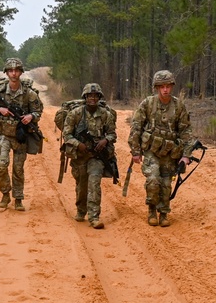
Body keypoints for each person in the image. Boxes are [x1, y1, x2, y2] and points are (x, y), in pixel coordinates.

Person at [128, 70, 194, 228]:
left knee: (166, 184)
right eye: (161, 86)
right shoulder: (148, 104)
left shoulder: (178, 106)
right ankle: (152, 210)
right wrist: (135, 151)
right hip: (152, 151)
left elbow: (186, 131)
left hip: (171, 153)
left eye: (168, 86)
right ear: (156, 88)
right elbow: (136, 127)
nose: (165, 89)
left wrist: (186, 155)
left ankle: (163, 212)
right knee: (153, 180)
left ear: (172, 87)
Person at [0, 57, 43, 211]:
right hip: (4, 134)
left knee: (18, 169)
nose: (13, 73)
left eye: (16, 70)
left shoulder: (28, 94)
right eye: (10, 71)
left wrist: (30, 117)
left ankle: (18, 199)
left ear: (20, 72)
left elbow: (38, 112)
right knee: (0, 165)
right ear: (6, 73)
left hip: (21, 136)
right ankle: (5, 195)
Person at [62, 83, 118, 229]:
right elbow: (66, 134)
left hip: (96, 156)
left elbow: (112, 133)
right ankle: (81, 210)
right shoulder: (76, 113)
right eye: (90, 96)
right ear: (85, 97)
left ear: (99, 97)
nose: (92, 98)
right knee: (82, 185)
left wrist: (105, 141)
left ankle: (94, 216)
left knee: (94, 182)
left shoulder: (105, 114)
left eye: (95, 96)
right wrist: (78, 144)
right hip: (80, 155)